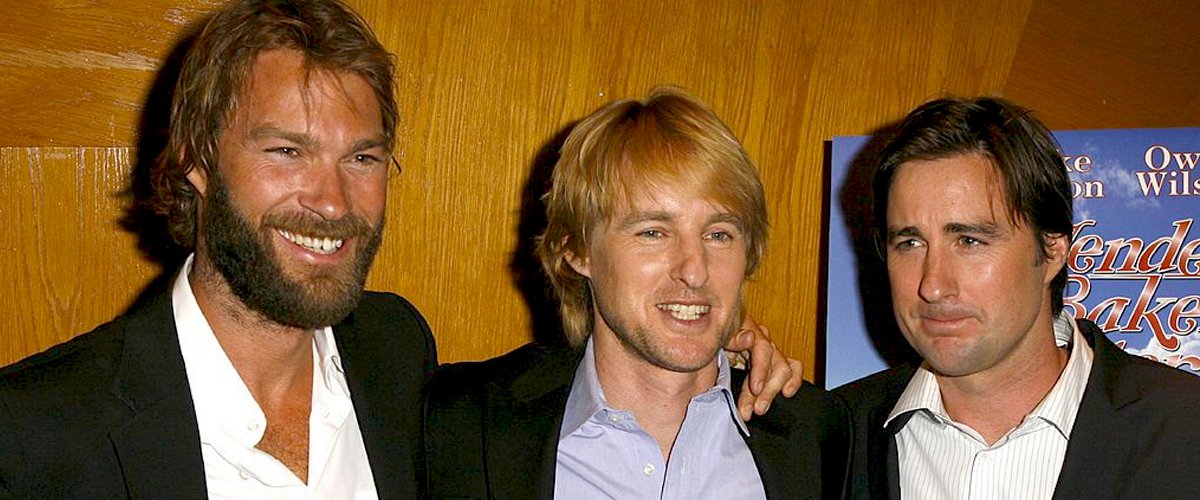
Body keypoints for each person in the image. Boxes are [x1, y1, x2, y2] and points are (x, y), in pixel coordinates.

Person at [0, 2, 798, 498]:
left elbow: (576, 379)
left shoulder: (395, 356)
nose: (333, 201)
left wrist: (714, 336)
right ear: (197, 164)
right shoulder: (38, 433)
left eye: (363, 157)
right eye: (286, 152)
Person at [423, 87, 851, 499]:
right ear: (576, 250)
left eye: (719, 234)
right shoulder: (463, 421)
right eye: (653, 232)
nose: (695, 270)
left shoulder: (817, 436)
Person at [835, 96, 1200, 500]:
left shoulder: (1184, 430)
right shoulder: (833, 438)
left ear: (1052, 251)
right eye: (909, 242)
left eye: (969, 240)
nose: (933, 286)